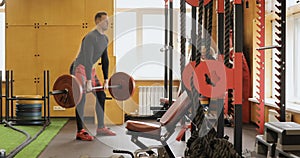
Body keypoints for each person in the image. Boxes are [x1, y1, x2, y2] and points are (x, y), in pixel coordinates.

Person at [70, 11, 116, 141]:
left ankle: (101, 128)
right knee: (81, 98)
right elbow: (87, 59)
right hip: (79, 68)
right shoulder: (90, 37)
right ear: (97, 22)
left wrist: (106, 79)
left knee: (101, 95)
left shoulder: (104, 38)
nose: (107, 23)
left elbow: (105, 59)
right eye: (104, 20)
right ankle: (80, 131)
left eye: (108, 20)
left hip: (91, 70)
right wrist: (88, 81)